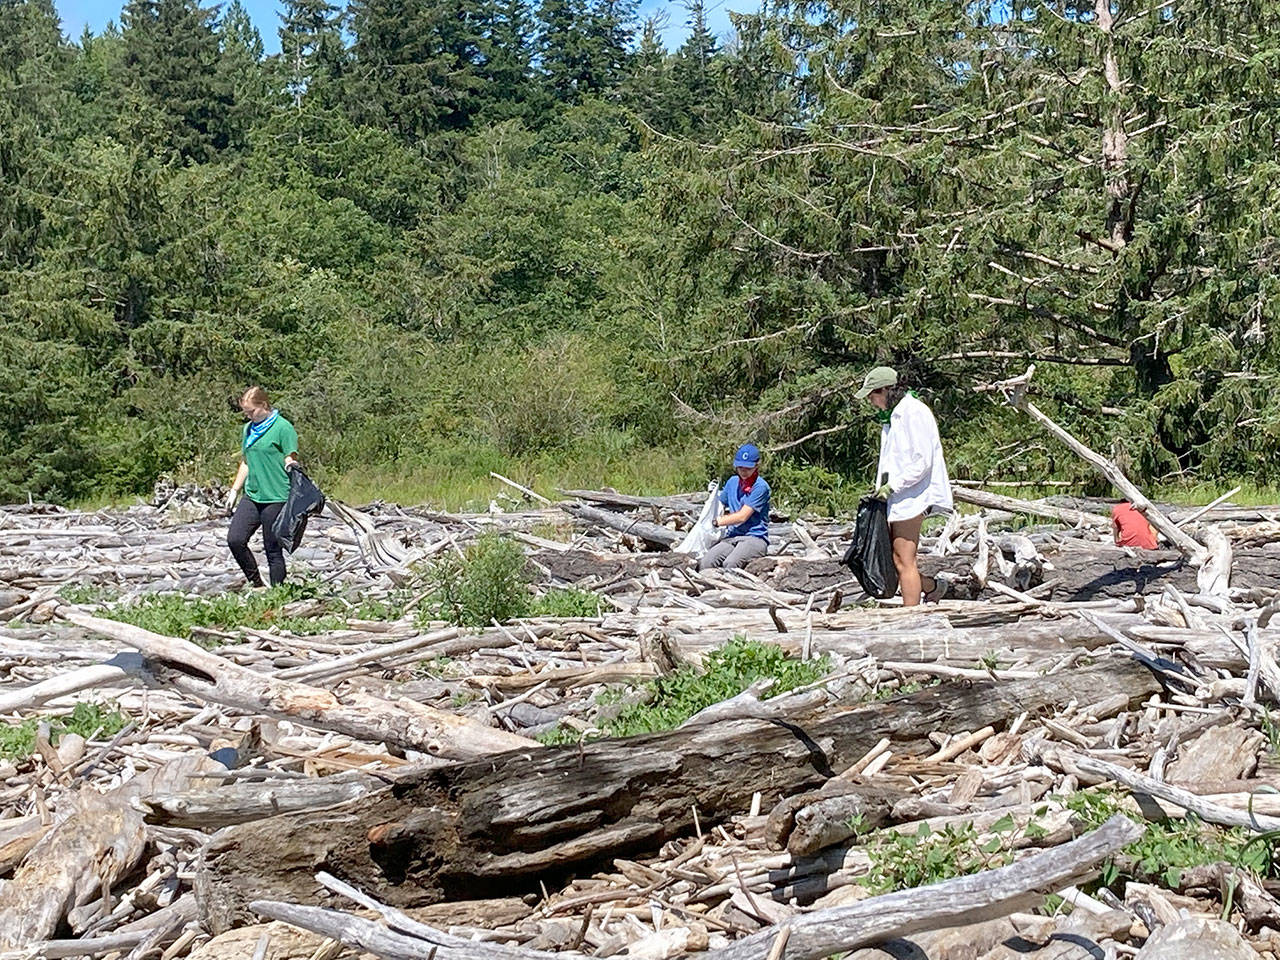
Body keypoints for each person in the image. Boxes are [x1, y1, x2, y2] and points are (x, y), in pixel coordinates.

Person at [855, 366, 953, 605]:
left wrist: (893, 486)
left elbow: (922, 461)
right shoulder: (894, 416)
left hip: (912, 496)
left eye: (873, 394)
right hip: (896, 496)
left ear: (887, 389)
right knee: (891, 558)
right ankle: (932, 587)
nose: (871, 400)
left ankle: (911, 618)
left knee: (904, 560)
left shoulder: (913, 412)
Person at [225, 386, 299, 588]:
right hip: (253, 494)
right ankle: (256, 583)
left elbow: (290, 455)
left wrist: (289, 464)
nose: (249, 416)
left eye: (252, 411)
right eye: (246, 412)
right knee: (235, 540)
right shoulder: (248, 429)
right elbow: (246, 461)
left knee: (272, 547)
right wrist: (234, 491)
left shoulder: (283, 428)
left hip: (276, 495)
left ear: (264, 405)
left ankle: (278, 592)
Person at [699, 443, 771, 571]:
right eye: (740, 467)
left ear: (756, 466)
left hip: (755, 538)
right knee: (706, 562)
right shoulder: (732, 482)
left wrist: (718, 521)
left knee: (731, 563)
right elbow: (720, 503)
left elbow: (742, 516)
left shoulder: (760, 487)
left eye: (748, 468)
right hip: (732, 536)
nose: (743, 471)